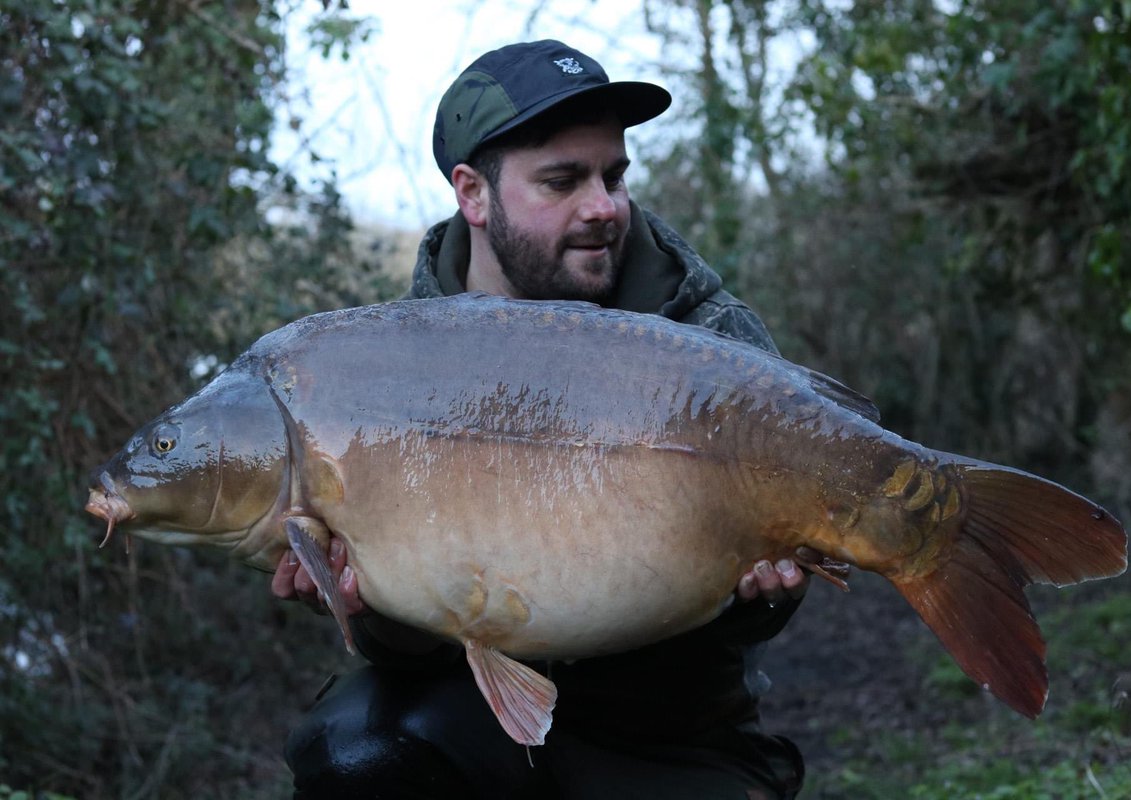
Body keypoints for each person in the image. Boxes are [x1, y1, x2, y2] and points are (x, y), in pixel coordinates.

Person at [272, 40, 809, 800]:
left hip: (676, 733)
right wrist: (361, 602)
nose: (603, 207)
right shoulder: (396, 364)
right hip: (475, 721)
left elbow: (768, 610)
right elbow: (412, 641)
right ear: (473, 194)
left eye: (613, 176)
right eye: (562, 181)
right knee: (353, 750)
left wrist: (769, 592)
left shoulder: (711, 341)